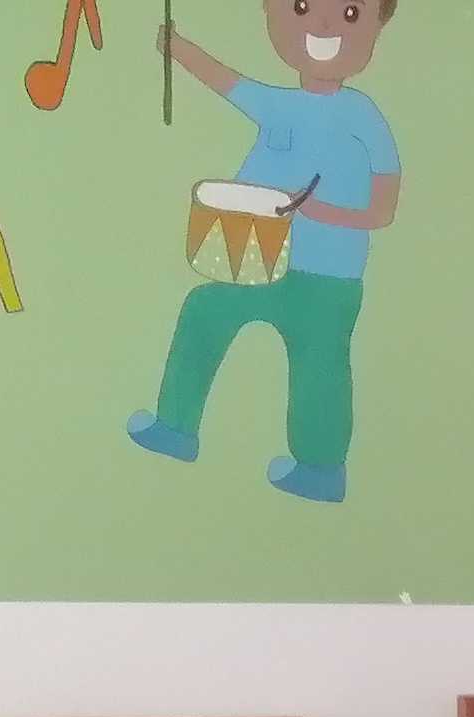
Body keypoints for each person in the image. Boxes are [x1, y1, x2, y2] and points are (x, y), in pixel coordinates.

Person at [129, 0, 403, 504]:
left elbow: (383, 208)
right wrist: (176, 47)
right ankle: (175, 427)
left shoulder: (361, 116)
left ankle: (320, 468)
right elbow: (224, 81)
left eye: (350, 12)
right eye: (302, 6)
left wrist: (323, 213)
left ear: (377, 26)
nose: (324, 23)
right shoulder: (277, 104)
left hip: (329, 275)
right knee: (205, 311)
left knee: (319, 361)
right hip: (256, 256)